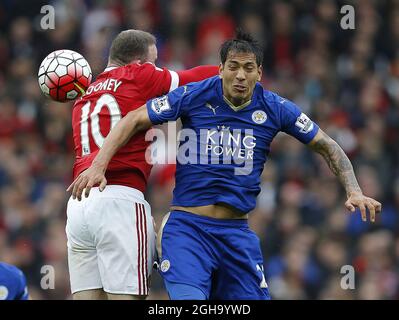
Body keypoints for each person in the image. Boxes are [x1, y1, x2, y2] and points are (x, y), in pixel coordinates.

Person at [68, 30, 382, 300]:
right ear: (220, 69)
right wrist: (98, 165)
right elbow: (134, 118)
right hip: (188, 230)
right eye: (233, 67)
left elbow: (327, 145)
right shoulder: (192, 95)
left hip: (237, 233)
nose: (240, 75)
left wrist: (353, 190)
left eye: (248, 68)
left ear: (260, 72)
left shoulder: (276, 108)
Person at [65, 29, 219, 300]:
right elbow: (195, 77)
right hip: (119, 201)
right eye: (154, 61)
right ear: (139, 61)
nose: (156, 67)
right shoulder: (138, 75)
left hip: (80, 206)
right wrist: (232, 69)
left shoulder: (84, 93)